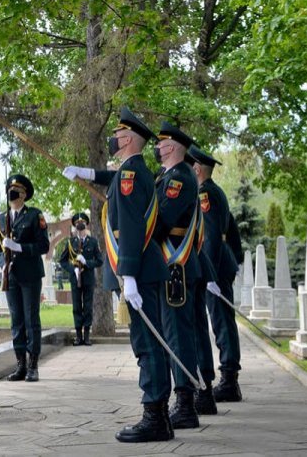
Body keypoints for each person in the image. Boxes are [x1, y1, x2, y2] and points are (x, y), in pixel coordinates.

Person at [63, 107, 172, 443]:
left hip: (139, 268)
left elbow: (132, 227)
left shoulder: (130, 176)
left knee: (147, 344)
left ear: (125, 139)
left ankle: (154, 415)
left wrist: (128, 276)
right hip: (147, 267)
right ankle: (159, 415)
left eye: (115, 134)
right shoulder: (134, 171)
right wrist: (87, 173)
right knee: (149, 342)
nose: (112, 138)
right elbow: (114, 180)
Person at [151, 121, 204, 429]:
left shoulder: (179, 178)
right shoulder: (168, 176)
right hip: (173, 265)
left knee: (177, 335)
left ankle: (185, 404)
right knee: (174, 333)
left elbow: (164, 218)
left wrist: (136, 234)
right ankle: (184, 399)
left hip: (177, 265)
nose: (156, 148)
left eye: (160, 144)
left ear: (170, 147)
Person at [188, 146, 244, 403]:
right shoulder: (216, 191)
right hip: (223, 264)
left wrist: (208, 273)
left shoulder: (205, 193)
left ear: (197, 170)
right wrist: (236, 259)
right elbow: (231, 231)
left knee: (221, 322)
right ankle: (230, 377)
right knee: (224, 321)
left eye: (191, 167)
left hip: (215, 267)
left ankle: (229, 380)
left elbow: (209, 237)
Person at [0, 174, 50, 382]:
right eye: (10, 190)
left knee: (31, 319)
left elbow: (44, 246)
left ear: (25, 194)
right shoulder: (0, 219)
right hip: (12, 276)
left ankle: (33, 365)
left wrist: (20, 248)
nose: (13, 194)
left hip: (31, 274)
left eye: (17, 190)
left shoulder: (35, 215)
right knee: (16, 321)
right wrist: (3, 263)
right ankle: (21, 366)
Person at [58, 212, 102, 346]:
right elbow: (62, 261)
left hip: (88, 279)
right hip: (75, 279)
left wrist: (87, 262)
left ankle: (87, 336)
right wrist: (73, 269)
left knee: (88, 307)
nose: (80, 224)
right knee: (77, 306)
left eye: (82, 222)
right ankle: (78, 336)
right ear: (75, 226)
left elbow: (99, 261)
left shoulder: (93, 242)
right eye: (77, 223)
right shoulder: (71, 242)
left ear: (86, 224)